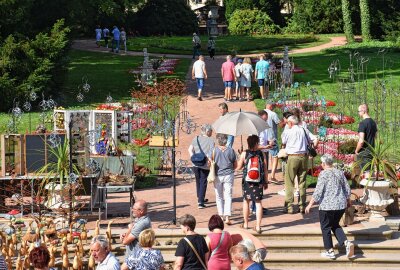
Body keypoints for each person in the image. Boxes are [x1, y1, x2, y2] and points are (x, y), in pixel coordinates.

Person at [305, 154, 355, 260]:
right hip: (340, 205)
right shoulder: (340, 172)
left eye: (321, 163)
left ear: (323, 163)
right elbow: (347, 188)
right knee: (335, 224)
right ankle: (346, 243)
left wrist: (310, 204)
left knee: (325, 227)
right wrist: (348, 201)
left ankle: (330, 251)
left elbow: (318, 191)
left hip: (327, 206)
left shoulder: (323, 174)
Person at [281, 116, 317, 214]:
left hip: (292, 157)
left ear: (291, 123)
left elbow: (283, 141)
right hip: (303, 157)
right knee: (302, 182)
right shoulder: (304, 130)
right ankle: (302, 205)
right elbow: (314, 139)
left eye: (288, 122)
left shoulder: (288, 131)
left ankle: (289, 206)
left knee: (289, 182)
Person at [236, 135, 268, 234]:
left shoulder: (245, 153)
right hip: (258, 182)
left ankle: (246, 224)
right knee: (258, 203)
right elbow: (265, 169)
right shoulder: (261, 154)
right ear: (256, 143)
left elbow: (238, 167)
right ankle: (258, 226)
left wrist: (240, 155)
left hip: (247, 181)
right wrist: (266, 181)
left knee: (246, 201)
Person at [188, 124, 215, 209]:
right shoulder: (211, 140)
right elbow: (210, 153)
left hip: (195, 163)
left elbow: (190, 149)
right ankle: (200, 202)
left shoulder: (195, 138)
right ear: (207, 131)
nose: (212, 133)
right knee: (203, 181)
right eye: (211, 131)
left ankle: (200, 197)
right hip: (204, 164)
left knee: (198, 181)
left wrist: (193, 157)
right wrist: (210, 162)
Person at [213, 133, 237, 224]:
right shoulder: (231, 150)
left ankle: (220, 215)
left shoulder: (214, 150)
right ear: (226, 140)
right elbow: (235, 164)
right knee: (228, 196)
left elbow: (209, 163)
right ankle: (227, 217)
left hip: (217, 175)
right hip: (228, 174)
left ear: (218, 140)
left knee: (219, 196)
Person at [355, 104, 377, 171]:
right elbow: (376, 137)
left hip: (364, 152)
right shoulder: (373, 123)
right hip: (372, 151)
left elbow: (361, 141)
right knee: (371, 172)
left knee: (366, 173)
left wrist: (356, 150)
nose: (358, 113)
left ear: (363, 111)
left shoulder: (363, 123)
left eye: (359, 111)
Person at [264, 102, 281, 182]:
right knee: (275, 156)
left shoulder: (261, 113)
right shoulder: (273, 114)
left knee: (266, 157)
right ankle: (272, 176)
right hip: (272, 139)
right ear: (271, 106)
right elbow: (280, 124)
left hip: (263, 139)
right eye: (273, 106)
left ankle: (265, 177)